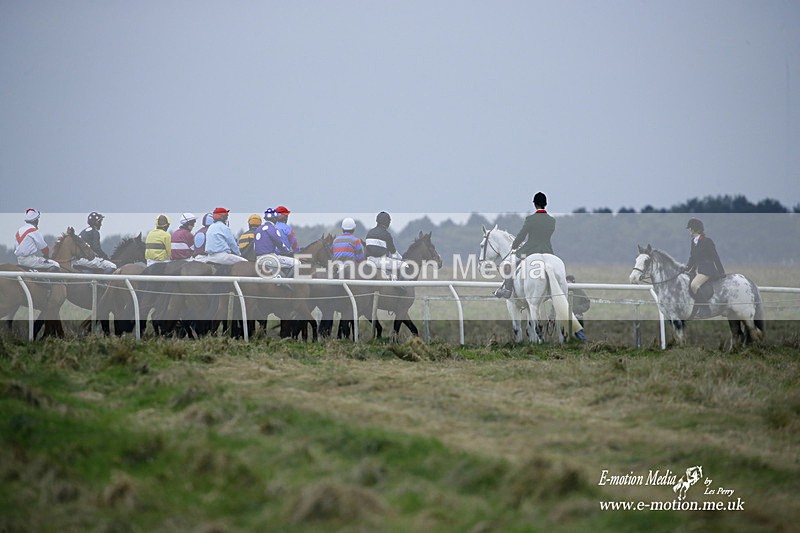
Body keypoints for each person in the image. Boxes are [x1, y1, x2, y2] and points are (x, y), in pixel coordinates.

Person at [494, 192, 555, 299]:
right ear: (545, 204)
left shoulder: (530, 219)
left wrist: (514, 245)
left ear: (535, 204)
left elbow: (522, 235)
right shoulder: (552, 221)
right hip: (548, 251)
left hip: (530, 249)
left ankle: (508, 290)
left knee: (508, 264)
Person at [684, 217, 725, 319]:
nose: (689, 230)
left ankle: (705, 308)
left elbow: (715, 257)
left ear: (694, 229)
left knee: (694, 285)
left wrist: (721, 272)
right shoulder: (693, 241)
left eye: (690, 228)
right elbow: (692, 258)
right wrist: (686, 268)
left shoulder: (707, 241)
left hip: (707, 270)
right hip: (697, 270)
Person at [254, 208, 300, 275]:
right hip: (270, 258)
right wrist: (288, 252)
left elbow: (255, 247)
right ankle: (286, 280)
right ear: (275, 219)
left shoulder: (258, 229)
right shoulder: (273, 229)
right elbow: (280, 244)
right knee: (297, 263)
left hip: (258, 259)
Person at [365, 211, 405, 277]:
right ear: (387, 222)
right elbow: (393, 252)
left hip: (369, 261)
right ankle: (398, 283)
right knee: (404, 265)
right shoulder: (386, 234)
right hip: (381, 262)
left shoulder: (369, 232)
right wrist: (401, 258)